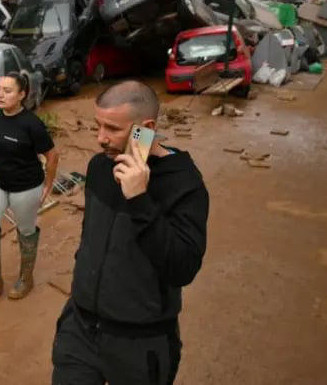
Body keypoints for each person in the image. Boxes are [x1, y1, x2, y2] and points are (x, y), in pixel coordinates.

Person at [52, 80, 209, 384]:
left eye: (112, 128)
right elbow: (90, 236)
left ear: (145, 127)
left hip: (140, 343)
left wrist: (140, 199)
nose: (100, 138)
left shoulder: (185, 185)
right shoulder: (100, 167)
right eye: (97, 126)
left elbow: (182, 269)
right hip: (80, 332)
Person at [0, 72, 59, 305]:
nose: (0, 95)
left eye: (8, 91)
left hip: (26, 186)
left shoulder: (32, 124)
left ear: (22, 95)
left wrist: (48, 186)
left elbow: (52, 156)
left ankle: (25, 278)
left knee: (26, 231)